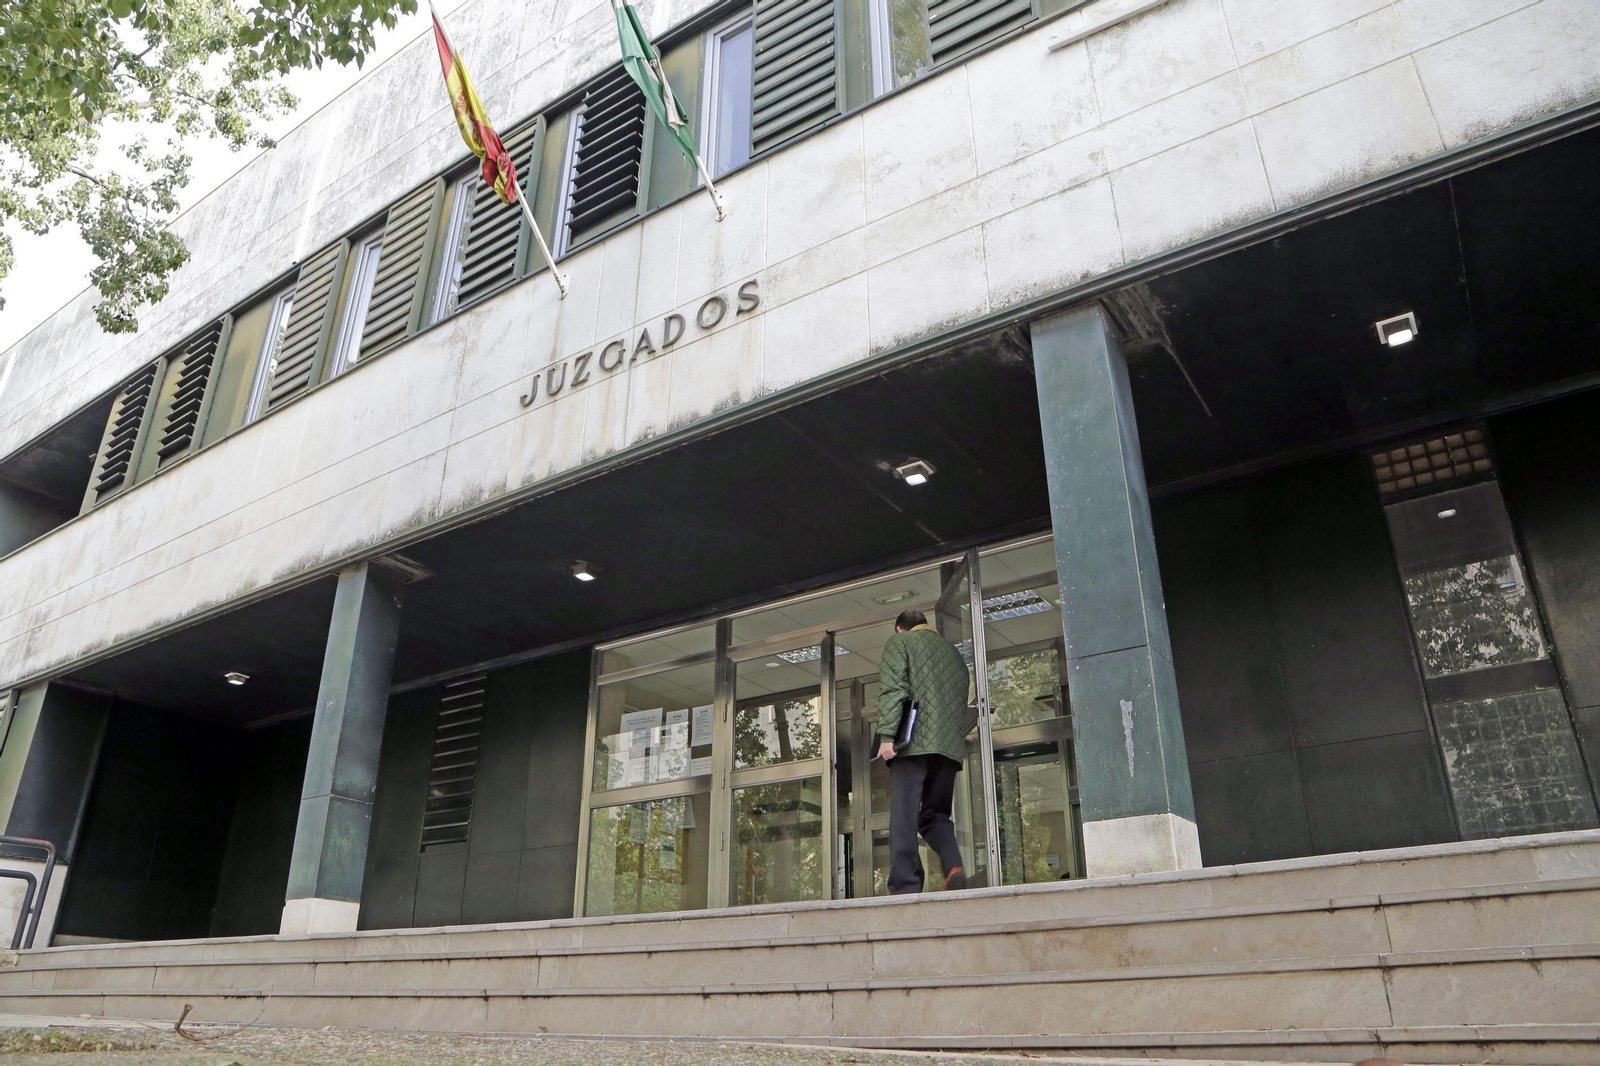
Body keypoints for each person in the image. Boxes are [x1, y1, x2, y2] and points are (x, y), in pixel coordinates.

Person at [876, 608, 976, 894]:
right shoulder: (955, 657)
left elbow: (893, 690)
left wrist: (886, 737)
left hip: (912, 744)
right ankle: (953, 865)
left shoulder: (900, 643)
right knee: (935, 815)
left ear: (900, 629)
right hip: (948, 749)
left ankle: (905, 886)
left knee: (904, 816)